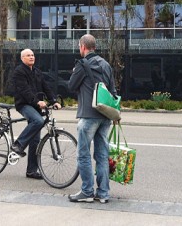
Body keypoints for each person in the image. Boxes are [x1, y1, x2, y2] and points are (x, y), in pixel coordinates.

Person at [68, 34, 117, 204]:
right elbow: (113, 91)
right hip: (105, 116)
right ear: (94, 46)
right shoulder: (106, 64)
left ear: (82, 46)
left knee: (83, 155)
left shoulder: (82, 64)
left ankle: (87, 191)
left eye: (79, 46)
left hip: (88, 115)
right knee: (102, 155)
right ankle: (103, 193)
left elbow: (71, 86)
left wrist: (76, 73)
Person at [13, 48, 61, 180]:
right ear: (22, 58)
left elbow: (46, 87)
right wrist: (37, 101)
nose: (31, 57)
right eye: (28, 55)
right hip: (24, 104)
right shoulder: (19, 72)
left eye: (32, 55)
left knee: (35, 140)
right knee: (38, 121)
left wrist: (54, 101)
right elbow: (25, 90)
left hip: (35, 105)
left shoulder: (37, 72)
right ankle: (18, 145)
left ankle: (31, 171)